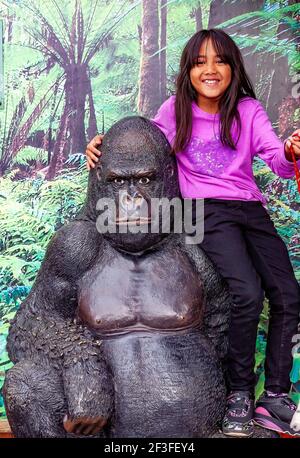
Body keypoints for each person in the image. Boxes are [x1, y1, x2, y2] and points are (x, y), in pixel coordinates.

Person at [85, 28, 300, 438]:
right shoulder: (174, 110)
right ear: (188, 71)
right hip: (205, 211)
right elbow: (140, 142)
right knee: (247, 292)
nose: (210, 69)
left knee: (288, 293)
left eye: (219, 60)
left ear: (233, 68)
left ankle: (274, 395)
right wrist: (101, 143)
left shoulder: (249, 110)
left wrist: (291, 151)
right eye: (200, 62)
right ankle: (239, 392)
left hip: (250, 209)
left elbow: (277, 160)